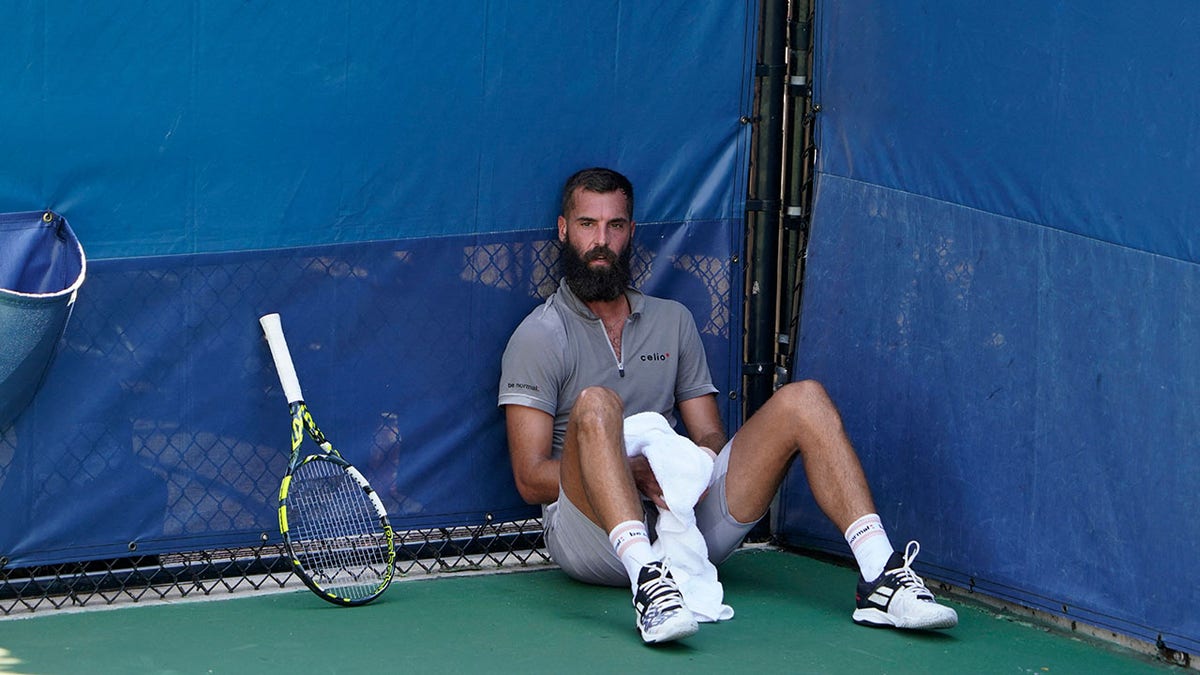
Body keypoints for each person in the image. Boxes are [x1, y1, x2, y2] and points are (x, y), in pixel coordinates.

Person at [498, 167, 958, 645]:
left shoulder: (672, 321)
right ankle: (649, 588)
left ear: (631, 233)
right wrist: (629, 469)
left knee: (807, 400)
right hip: (590, 538)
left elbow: (710, 436)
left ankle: (881, 577)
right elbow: (531, 478)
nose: (601, 240)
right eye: (587, 224)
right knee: (597, 404)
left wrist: (691, 469)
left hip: (682, 524)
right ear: (563, 230)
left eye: (614, 226)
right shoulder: (539, 335)